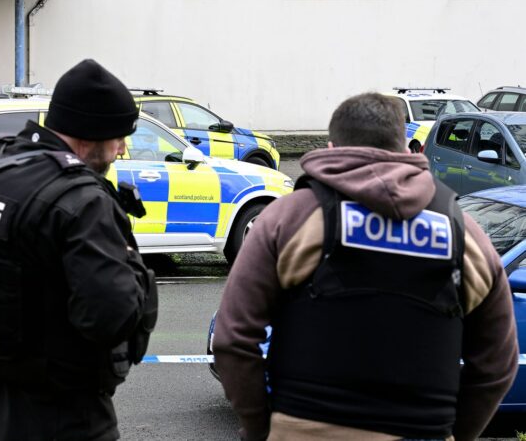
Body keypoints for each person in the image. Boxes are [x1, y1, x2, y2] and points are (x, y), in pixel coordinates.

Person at [213, 92, 519, 441]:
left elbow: (233, 339)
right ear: (407, 151)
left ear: (331, 148)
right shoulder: (466, 237)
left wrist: (260, 427)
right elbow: (497, 365)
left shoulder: (288, 220)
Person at [0, 59, 157, 441]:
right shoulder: (82, 200)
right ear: (90, 134)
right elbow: (110, 316)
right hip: (62, 413)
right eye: (118, 137)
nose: (120, 149)